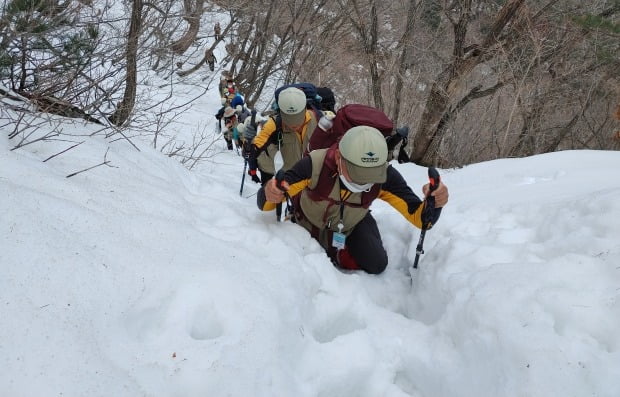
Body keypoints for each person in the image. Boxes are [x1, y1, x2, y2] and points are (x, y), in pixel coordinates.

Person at [256, 126, 449, 274]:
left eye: (371, 174)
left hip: (352, 222)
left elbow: (420, 218)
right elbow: (266, 202)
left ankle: (340, 253)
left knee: (376, 263)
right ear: (339, 158)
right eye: (357, 173)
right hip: (309, 222)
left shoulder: (384, 175)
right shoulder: (316, 165)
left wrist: (435, 201)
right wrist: (270, 192)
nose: (364, 181)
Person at [248, 87, 318, 184]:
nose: (294, 126)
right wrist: (252, 169)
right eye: (289, 121)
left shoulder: (317, 119)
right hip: (271, 169)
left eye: (297, 121)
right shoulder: (274, 124)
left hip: (299, 174)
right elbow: (256, 146)